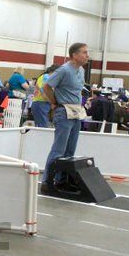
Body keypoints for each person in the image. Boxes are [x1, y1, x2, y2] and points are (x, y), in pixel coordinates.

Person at [40, 42, 90, 193]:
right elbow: (47, 87)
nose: (87, 55)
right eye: (84, 52)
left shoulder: (80, 70)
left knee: (70, 150)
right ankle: (46, 181)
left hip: (76, 112)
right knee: (58, 150)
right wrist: (54, 102)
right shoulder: (64, 70)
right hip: (64, 112)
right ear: (74, 55)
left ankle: (62, 180)